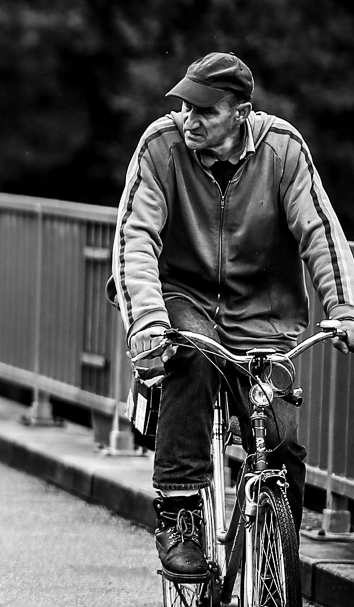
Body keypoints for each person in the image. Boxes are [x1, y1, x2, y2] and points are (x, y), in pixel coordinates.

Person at [110, 52, 354, 576]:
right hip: (185, 297)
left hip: (264, 315)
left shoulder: (283, 150)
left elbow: (321, 233)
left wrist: (346, 308)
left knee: (281, 444)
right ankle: (177, 512)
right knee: (191, 357)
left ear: (239, 112)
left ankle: (269, 563)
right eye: (184, 107)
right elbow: (135, 238)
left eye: (204, 111)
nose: (189, 120)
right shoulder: (162, 147)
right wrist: (149, 322)